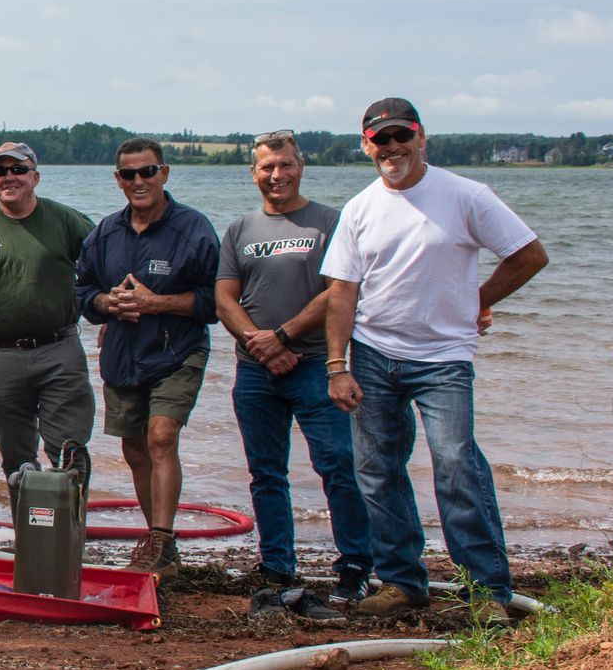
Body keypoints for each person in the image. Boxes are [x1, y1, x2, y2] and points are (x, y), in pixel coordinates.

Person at [324, 98, 547, 620]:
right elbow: (341, 291)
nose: (392, 147)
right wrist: (337, 365)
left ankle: (488, 592)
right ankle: (403, 583)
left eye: (402, 136)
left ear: (422, 138)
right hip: (374, 355)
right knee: (377, 472)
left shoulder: (466, 195)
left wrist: (478, 301)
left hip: (444, 358)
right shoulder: (360, 208)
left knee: (456, 468)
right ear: (366, 146)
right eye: (381, 139)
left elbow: (529, 255)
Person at [216, 130, 370, 622]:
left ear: (300, 166)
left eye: (285, 165)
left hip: (314, 367)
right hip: (256, 372)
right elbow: (224, 298)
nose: (276, 175)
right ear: (254, 173)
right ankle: (278, 567)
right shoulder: (240, 228)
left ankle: (355, 566)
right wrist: (259, 346)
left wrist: (282, 337)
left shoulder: (329, 221)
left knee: (338, 467)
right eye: (267, 167)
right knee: (266, 473)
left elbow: (338, 292)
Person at [75, 138, 220, 576]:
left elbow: (216, 301)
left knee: (161, 437)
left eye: (147, 172)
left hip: (177, 352)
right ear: (118, 180)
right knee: (136, 449)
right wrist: (105, 303)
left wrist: (157, 304)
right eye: (128, 174)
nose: (139, 181)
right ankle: (157, 540)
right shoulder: (105, 233)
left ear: (165, 173)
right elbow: (81, 292)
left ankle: (161, 539)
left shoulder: (193, 230)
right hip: (123, 357)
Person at [0, 141, 96, 482]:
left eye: (18, 170)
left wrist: (106, 316)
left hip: (60, 350)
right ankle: (28, 533)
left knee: (69, 453)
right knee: (17, 463)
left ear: (36, 177)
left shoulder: (68, 221)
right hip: (2, 356)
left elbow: (101, 270)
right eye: (1, 171)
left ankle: (68, 533)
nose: (9, 177)